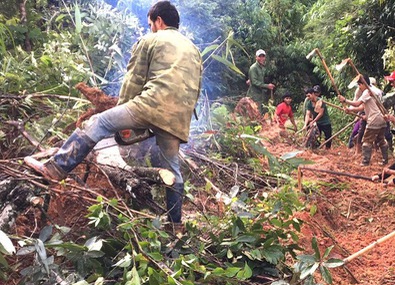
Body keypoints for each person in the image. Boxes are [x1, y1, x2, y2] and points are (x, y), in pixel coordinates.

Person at [24, 1, 203, 231]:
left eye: (151, 24)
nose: (150, 28)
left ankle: (56, 168)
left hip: (151, 104)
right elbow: (194, 88)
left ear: (159, 21)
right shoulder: (194, 49)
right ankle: (176, 227)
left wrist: (124, 113)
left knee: (99, 122)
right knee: (172, 169)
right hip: (180, 117)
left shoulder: (151, 39)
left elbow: (134, 80)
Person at [339, 75, 388, 165]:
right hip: (381, 118)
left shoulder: (367, 91)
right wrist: (350, 110)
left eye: (359, 85)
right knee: (381, 139)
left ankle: (365, 162)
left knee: (366, 141)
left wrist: (345, 100)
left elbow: (357, 103)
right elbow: (362, 106)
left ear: (363, 84)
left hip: (374, 119)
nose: (359, 87)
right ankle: (385, 160)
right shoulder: (374, 91)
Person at [247, 49, 275, 114]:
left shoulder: (262, 68)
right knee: (256, 113)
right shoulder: (253, 68)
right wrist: (267, 86)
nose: (262, 58)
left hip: (260, 94)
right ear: (256, 57)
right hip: (254, 95)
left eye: (263, 56)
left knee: (261, 112)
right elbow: (254, 82)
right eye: (260, 56)